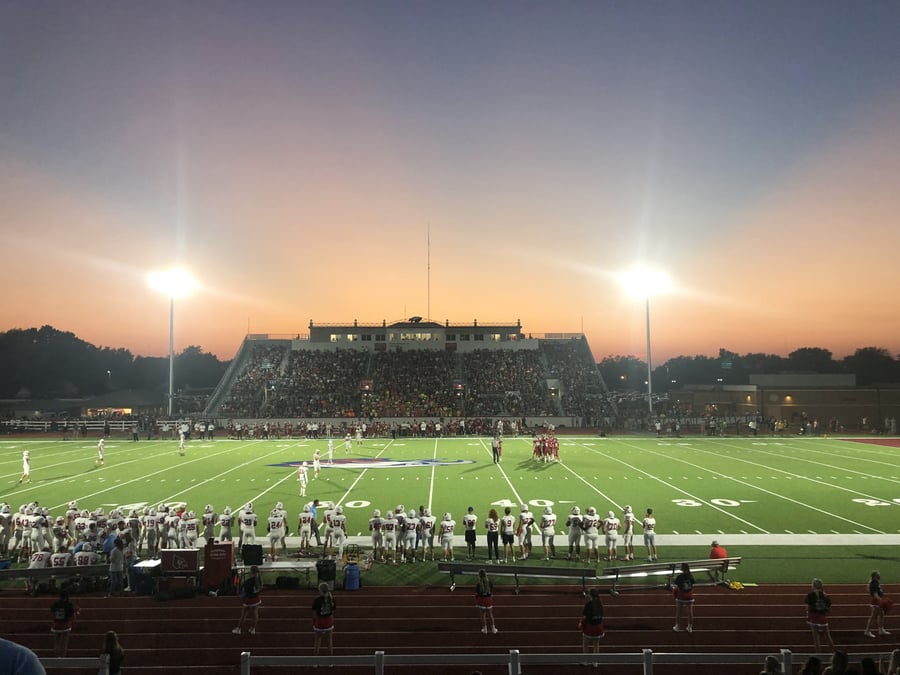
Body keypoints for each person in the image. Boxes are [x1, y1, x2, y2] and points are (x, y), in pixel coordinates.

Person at [805, 578, 835, 653]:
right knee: (828, 637)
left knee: (816, 638)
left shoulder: (810, 595)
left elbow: (808, 608)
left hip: (813, 617)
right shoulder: (826, 596)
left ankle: (818, 655)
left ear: (813, 586)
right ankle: (833, 653)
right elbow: (830, 610)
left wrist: (807, 615)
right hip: (822, 617)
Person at [49, 590, 79, 657]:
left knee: (57, 642)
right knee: (64, 642)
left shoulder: (55, 603)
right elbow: (73, 615)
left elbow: (52, 612)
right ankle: (63, 657)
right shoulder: (69, 604)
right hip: (66, 624)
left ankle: (56, 656)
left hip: (56, 624)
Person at [233, 565, 262, 634]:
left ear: (251, 571)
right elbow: (260, 588)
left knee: (244, 614)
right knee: (255, 613)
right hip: (256, 598)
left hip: (249, 599)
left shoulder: (249, 581)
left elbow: (245, 590)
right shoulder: (259, 578)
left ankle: (238, 629)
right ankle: (253, 629)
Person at [864, 570, 892, 638]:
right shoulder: (874, 583)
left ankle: (881, 629)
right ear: (875, 576)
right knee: (873, 616)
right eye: (878, 574)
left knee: (881, 614)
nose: (880, 576)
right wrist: (881, 601)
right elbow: (875, 594)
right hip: (876, 602)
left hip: (877, 601)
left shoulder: (875, 582)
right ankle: (867, 631)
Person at [580, 587, 605, 666]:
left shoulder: (588, 605)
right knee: (596, 645)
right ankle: (595, 662)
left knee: (585, 644)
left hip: (590, 628)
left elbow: (585, 617)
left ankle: (586, 661)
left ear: (590, 595)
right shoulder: (600, 604)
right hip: (598, 628)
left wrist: (581, 624)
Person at [312, 582, 336, 656]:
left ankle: (315, 662)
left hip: (319, 622)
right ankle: (330, 661)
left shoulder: (317, 600)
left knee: (317, 641)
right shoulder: (331, 599)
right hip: (328, 622)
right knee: (329, 641)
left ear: (320, 591)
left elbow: (314, 611)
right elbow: (333, 610)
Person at [673, 562, 695, 633]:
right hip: (689, 596)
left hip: (681, 597)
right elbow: (693, 584)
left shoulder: (680, 577)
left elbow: (677, 586)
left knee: (679, 612)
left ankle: (677, 627)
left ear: (682, 568)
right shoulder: (690, 576)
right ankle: (690, 627)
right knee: (690, 612)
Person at [475, 569, 498, 634]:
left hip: (481, 600)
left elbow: (476, 594)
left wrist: (477, 601)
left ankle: (485, 630)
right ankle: (493, 629)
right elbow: (492, 590)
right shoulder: (489, 582)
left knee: (483, 615)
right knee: (490, 614)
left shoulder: (478, 584)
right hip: (488, 600)